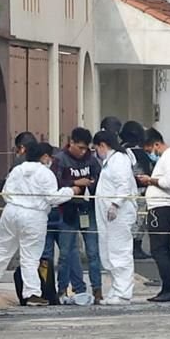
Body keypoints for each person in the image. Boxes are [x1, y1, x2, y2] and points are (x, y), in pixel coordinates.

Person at [0, 143, 82, 305]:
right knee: (30, 256)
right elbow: (52, 198)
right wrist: (71, 191)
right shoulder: (46, 174)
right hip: (34, 215)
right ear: (45, 157)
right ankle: (32, 293)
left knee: (0, 249)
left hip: (11, 211)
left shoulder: (17, 170)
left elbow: (5, 191)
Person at [46, 127, 100, 304]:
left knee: (93, 252)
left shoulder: (91, 160)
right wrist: (75, 183)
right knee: (65, 253)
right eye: (80, 147)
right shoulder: (60, 159)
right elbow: (54, 183)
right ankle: (61, 290)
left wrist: (91, 184)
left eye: (86, 148)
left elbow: (100, 179)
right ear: (71, 143)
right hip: (67, 211)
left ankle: (97, 291)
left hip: (87, 209)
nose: (83, 152)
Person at [92, 130, 139, 305]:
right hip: (108, 215)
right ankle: (116, 289)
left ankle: (123, 292)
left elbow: (123, 184)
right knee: (108, 253)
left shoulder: (119, 159)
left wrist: (116, 204)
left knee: (120, 252)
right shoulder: (109, 162)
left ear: (102, 145)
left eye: (96, 148)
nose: (97, 152)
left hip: (119, 214)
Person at [138, 128, 170, 303]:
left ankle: (169, 288)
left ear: (156, 144)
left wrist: (149, 180)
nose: (150, 154)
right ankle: (168, 287)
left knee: (159, 249)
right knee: (164, 248)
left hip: (162, 208)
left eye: (149, 150)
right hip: (160, 207)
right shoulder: (166, 157)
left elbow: (168, 182)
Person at [120, 120, 153, 261]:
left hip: (131, 190)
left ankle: (134, 247)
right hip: (138, 190)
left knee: (136, 220)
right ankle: (135, 247)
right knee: (138, 220)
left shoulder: (121, 150)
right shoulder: (135, 152)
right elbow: (145, 170)